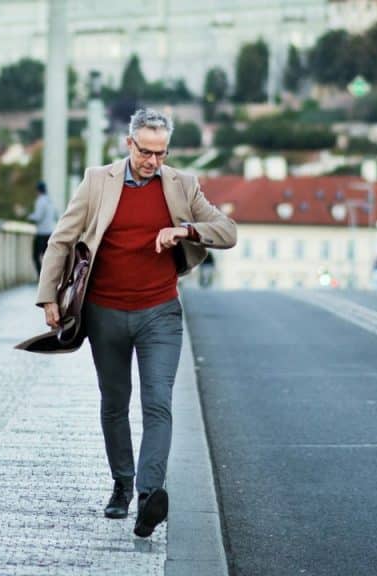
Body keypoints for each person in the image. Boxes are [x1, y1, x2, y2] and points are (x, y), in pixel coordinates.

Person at [35, 108, 236, 538]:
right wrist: (48, 295)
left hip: (160, 313)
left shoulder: (183, 185)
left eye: (161, 153)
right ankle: (122, 485)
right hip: (104, 313)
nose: (153, 162)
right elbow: (62, 238)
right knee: (114, 402)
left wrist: (186, 230)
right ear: (129, 144)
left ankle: (148, 496)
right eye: (146, 152)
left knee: (158, 402)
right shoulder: (97, 182)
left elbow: (227, 230)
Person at [27, 181, 56, 274]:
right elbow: (55, 216)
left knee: (35, 256)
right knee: (47, 257)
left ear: (38, 190)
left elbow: (38, 217)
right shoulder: (50, 201)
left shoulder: (40, 201)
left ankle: (41, 276)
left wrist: (29, 216)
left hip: (41, 233)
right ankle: (49, 276)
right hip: (50, 232)